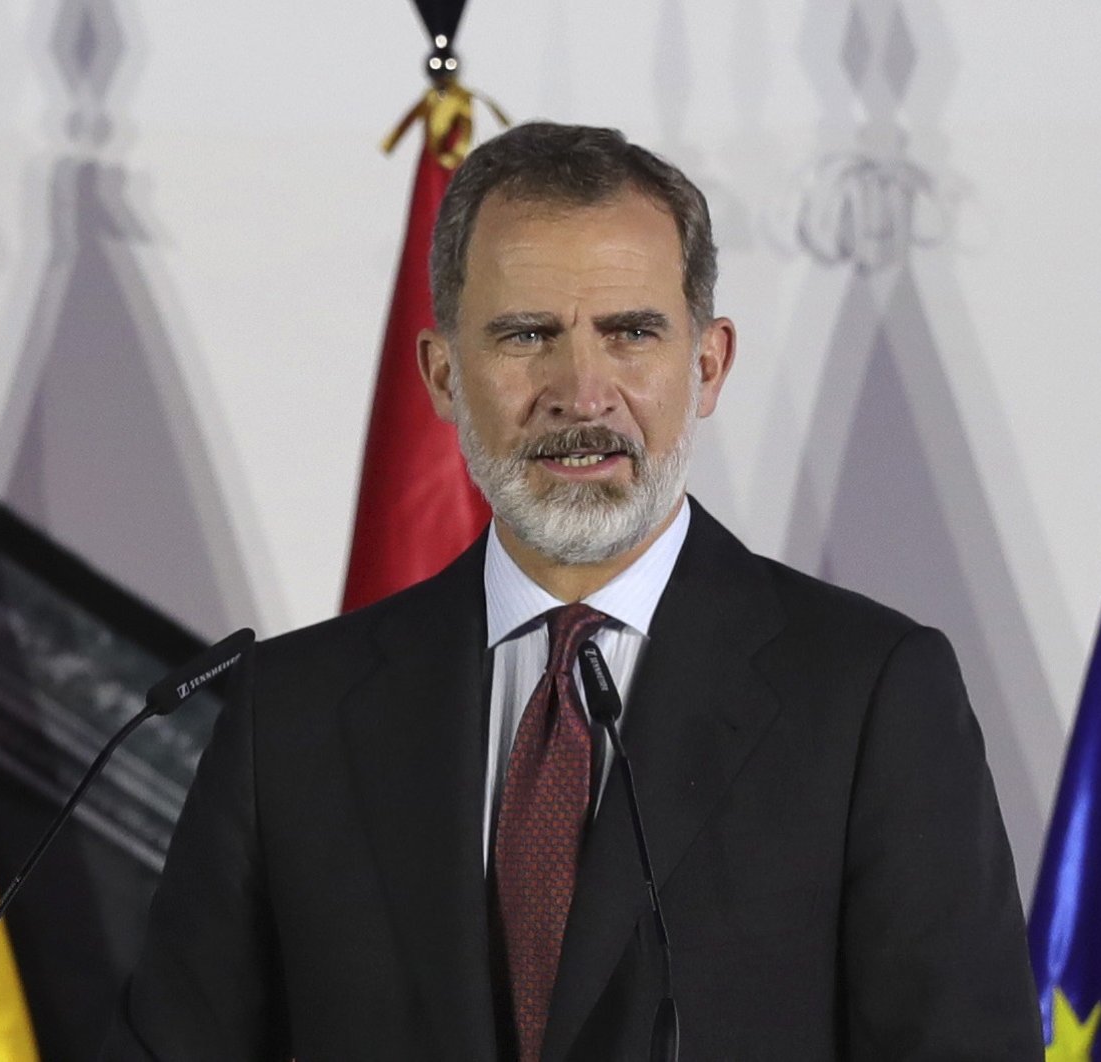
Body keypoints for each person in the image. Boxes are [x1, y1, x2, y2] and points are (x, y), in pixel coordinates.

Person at [101, 121, 1043, 1060]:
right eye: (526, 335)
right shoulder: (292, 715)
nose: (581, 392)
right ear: (440, 374)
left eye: (630, 333)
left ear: (707, 365)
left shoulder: (869, 695)